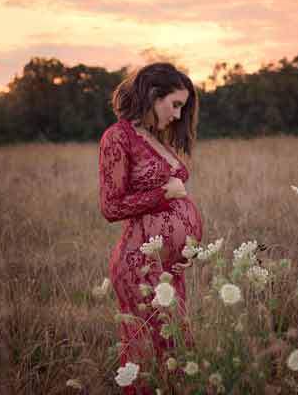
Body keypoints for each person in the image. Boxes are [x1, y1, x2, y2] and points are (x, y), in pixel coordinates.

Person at [98, 63, 203, 394]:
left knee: (176, 354)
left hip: (168, 267)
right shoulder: (118, 138)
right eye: (175, 105)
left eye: (182, 108)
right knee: (149, 362)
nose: (177, 115)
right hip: (138, 266)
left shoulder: (154, 138)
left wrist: (189, 249)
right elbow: (111, 206)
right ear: (154, 95)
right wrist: (163, 194)